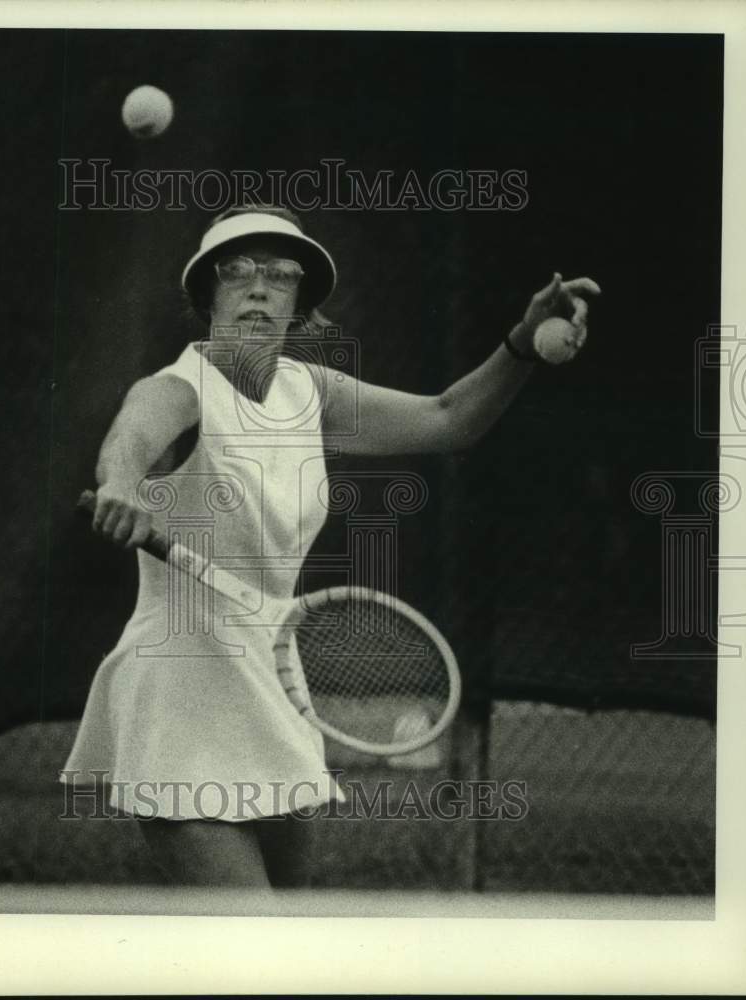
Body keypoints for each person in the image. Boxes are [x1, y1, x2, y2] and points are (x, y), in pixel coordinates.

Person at [63, 205, 600, 888]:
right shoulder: (179, 386)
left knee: (288, 941)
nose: (259, 288)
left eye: (281, 277)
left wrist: (521, 344)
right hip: (177, 694)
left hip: (269, 684)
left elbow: (448, 418)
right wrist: (122, 485)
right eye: (237, 273)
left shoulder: (306, 393)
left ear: (299, 306)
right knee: (248, 946)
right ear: (206, 296)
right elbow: (135, 432)